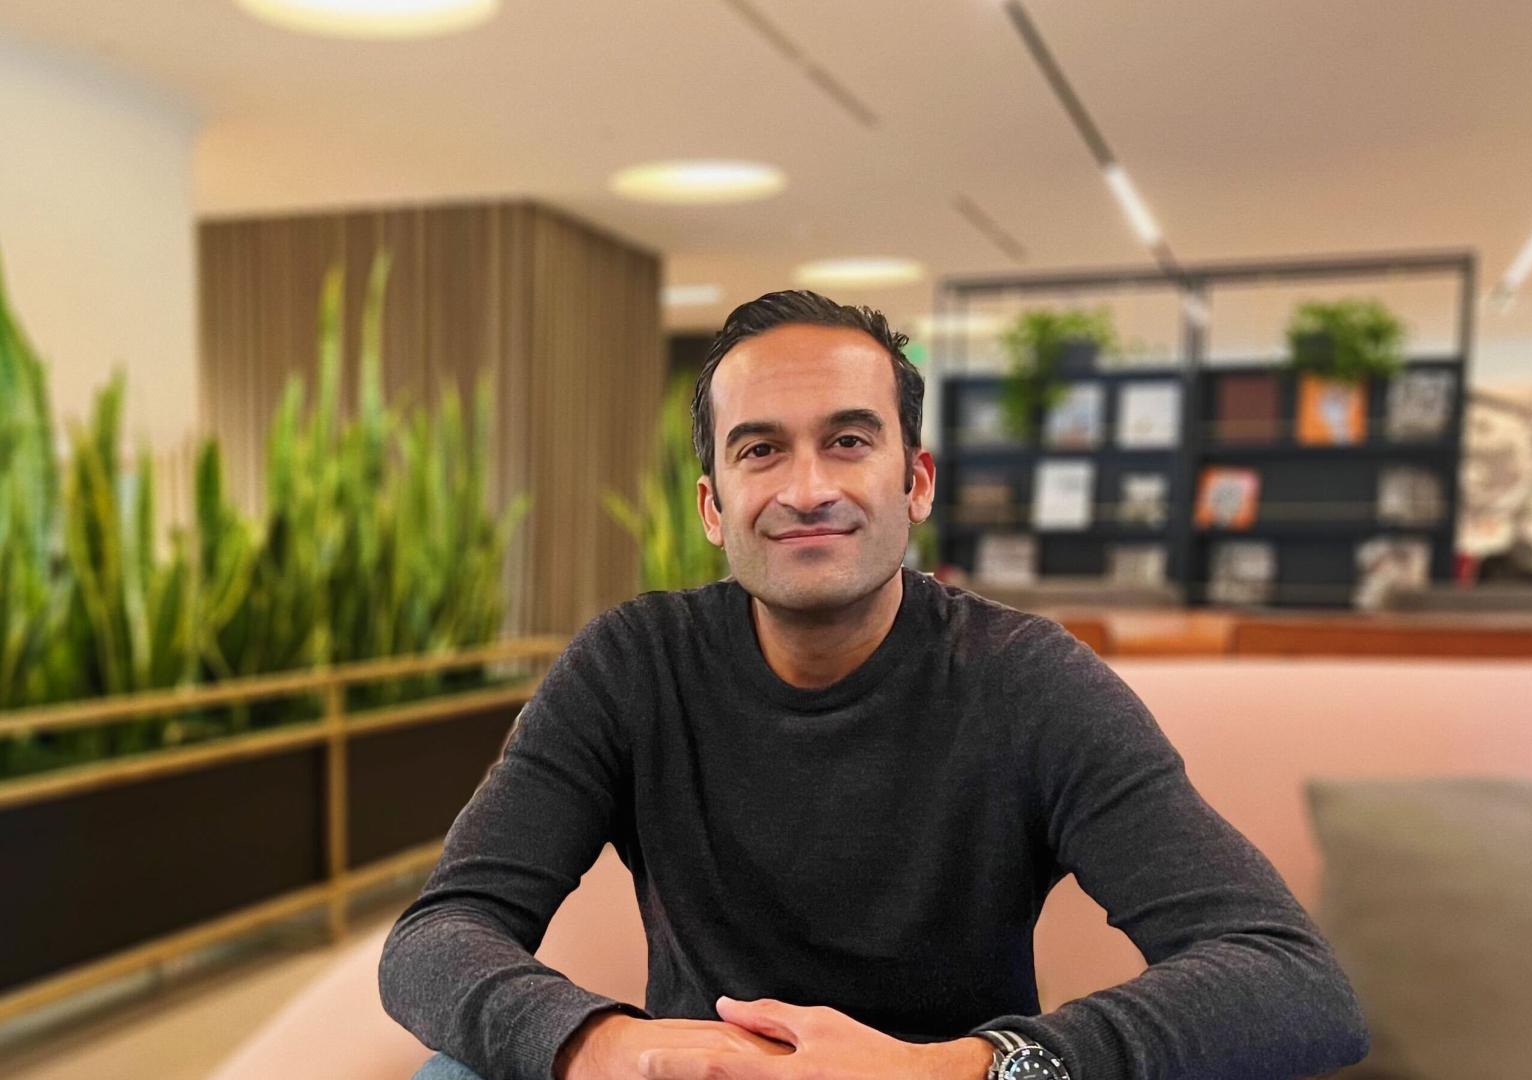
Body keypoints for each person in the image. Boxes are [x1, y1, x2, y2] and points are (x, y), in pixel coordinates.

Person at [379, 291, 1370, 1080]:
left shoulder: (1026, 681)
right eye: (760, 449)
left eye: (848, 441)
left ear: (915, 482)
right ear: (713, 506)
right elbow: (436, 935)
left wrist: (954, 1068)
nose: (807, 488)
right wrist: (597, 1044)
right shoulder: (632, 666)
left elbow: (1290, 981)